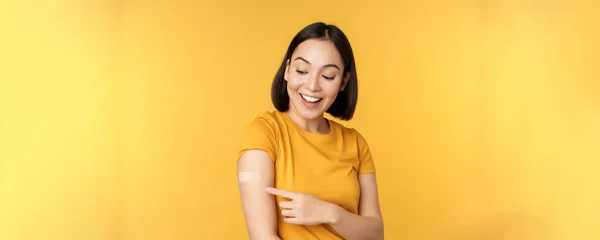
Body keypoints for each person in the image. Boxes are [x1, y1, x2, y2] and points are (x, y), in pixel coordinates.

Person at [236, 22, 384, 240]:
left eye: (328, 76)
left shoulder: (356, 143)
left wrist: (330, 213)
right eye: (302, 71)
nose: (312, 86)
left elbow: (376, 234)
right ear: (287, 70)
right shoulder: (265, 133)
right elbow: (262, 237)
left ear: (343, 82)